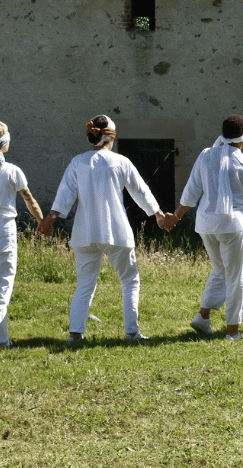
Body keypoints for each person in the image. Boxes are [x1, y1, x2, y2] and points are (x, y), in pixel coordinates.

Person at [36, 115, 170, 343]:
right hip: (116, 231)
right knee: (129, 281)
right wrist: (158, 214)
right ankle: (132, 332)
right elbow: (140, 190)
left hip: (84, 233)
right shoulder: (120, 162)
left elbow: (65, 194)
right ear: (111, 137)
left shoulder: (78, 162)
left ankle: (75, 335)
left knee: (85, 285)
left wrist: (50, 217)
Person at [172, 115, 243, 341]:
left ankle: (203, 317)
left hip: (206, 225)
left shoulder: (205, 156)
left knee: (221, 270)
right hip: (233, 225)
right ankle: (232, 331)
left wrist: (176, 217)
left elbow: (191, 192)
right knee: (236, 275)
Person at [0, 122, 45, 347]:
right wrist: (41, 221)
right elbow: (29, 199)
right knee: (3, 284)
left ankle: (4, 340)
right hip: (4, 229)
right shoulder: (11, 171)